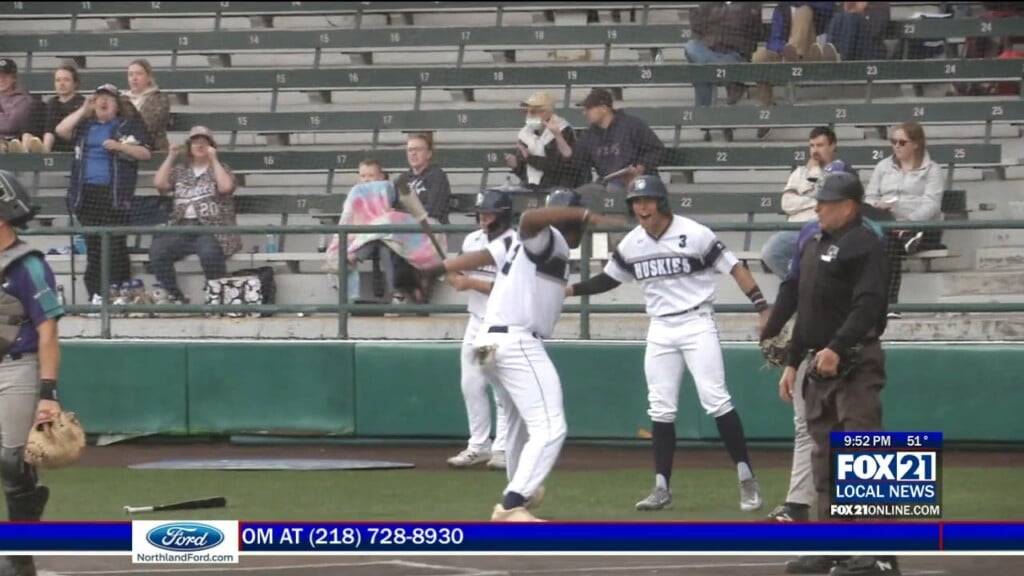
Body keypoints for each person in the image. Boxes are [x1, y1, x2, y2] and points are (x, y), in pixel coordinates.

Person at [565, 175, 768, 513]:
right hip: (660, 327)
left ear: (662, 201)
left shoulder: (696, 233)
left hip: (696, 321)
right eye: (636, 202)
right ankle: (662, 488)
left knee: (716, 399)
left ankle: (747, 479)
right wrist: (571, 290)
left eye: (648, 200)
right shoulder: (632, 243)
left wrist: (763, 307)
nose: (642, 207)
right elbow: (609, 278)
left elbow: (735, 268)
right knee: (660, 408)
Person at [429, 188, 626, 521]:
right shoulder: (548, 238)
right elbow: (532, 218)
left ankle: (521, 488)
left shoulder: (522, 243)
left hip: (488, 341)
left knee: (518, 423)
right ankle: (511, 504)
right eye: (578, 220)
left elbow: (485, 257)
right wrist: (580, 215)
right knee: (551, 427)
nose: (584, 230)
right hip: (516, 341)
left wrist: (448, 266)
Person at [761, 171, 898, 576]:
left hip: (854, 361)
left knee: (862, 451)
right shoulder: (814, 243)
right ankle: (833, 543)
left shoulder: (864, 244)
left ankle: (878, 553)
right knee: (824, 458)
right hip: (818, 365)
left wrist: (838, 347)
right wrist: (791, 361)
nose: (817, 207)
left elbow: (869, 304)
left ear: (849, 206)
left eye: (826, 202)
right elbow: (807, 307)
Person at [0, 171, 66, 576]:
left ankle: (20, 556)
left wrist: (47, 392)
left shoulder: (29, 265)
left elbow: (48, 328)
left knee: (13, 461)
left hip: (16, 370)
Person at [55, 83, 152, 303]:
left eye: (109, 98)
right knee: (94, 247)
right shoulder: (85, 125)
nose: (103, 101)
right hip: (87, 195)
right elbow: (61, 130)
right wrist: (83, 109)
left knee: (116, 245)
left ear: (117, 105)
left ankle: (120, 291)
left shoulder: (127, 125)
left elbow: (146, 152)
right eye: (99, 98)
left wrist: (121, 147)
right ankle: (96, 294)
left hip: (115, 195)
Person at [444, 189, 517, 471]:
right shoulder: (472, 239)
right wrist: (453, 275)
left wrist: (469, 283)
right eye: (481, 212)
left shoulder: (513, 244)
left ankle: (502, 448)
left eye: (489, 212)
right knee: (471, 384)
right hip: (476, 321)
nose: (484, 217)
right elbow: (457, 271)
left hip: (498, 325)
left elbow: (509, 288)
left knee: (498, 385)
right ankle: (479, 445)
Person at [149, 126, 241, 304]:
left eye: (204, 141)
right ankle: (174, 295)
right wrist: (170, 156)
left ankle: (217, 297)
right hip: (181, 226)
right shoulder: (181, 170)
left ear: (211, 145)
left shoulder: (221, 169)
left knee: (209, 254)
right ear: (189, 146)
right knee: (158, 251)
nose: (199, 145)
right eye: (195, 142)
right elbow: (159, 184)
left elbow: (226, 188)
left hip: (210, 227)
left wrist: (214, 159)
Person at [864, 122, 944, 316]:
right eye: (893, 142)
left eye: (902, 142)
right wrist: (879, 206)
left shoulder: (932, 169)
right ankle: (903, 236)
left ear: (916, 144)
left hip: (923, 226)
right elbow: (870, 197)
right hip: (889, 221)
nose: (896, 146)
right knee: (864, 211)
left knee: (887, 243)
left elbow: (932, 204)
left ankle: (890, 303)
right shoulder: (883, 166)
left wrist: (908, 221)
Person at [761, 126, 842, 280]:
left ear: (832, 146)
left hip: (821, 228)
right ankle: (798, 287)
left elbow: (832, 201)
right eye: (812, 146)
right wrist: (815, 199)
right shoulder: (799, 172)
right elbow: (787, 204)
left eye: (820, 145)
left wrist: (814, 174)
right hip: (794, 228)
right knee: (770, 252)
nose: (815, 150)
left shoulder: (841, 171)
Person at [394, 132, 452, 304]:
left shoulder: (437, 176)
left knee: (400, 241)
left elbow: (434, 209)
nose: (413, 153)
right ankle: (403, 289)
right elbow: (394, 208)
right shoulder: (402, 179)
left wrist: (404, 215)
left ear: (428, 153)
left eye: (418, 149)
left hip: (431, 229)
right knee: (388, 242)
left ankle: (410, 289)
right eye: (410, 150)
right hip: (405, 230)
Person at [570, 88, 665, 193]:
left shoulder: (631, 125)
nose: (584, 113)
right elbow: (579, 162)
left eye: (588, 108)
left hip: (638, 181)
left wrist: (640, 167)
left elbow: (657, 150)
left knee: (614, 188)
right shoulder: (589, 136)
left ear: (604, 108)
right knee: (574, 196)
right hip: (606, 183)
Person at [505, 91, 585, 191]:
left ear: (547, 112)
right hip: (532, 187)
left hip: (559, 186)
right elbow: (525, 174)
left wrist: (529, 158)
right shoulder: (525, 134)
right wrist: (516, 166)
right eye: (526, 111)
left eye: (533, 112)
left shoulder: (563, 130)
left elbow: (560, 167)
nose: (529, 115)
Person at [20, 65, 84, 153]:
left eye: (66, 80)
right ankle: (25, 149)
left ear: (75, 83)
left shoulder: (81, 103)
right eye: (58, 80)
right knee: (36, 105)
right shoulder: (52, 102)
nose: (61, 84)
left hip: (67, 142)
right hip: (46, 137)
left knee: (53, 107)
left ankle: (45, 150)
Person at [123, 59, 170, 151]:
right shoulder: (122, 99)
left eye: (139, 74)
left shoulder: (160, 98)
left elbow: (150, 125)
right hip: (124, 148)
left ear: (149, 77)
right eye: (131, 74)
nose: (134, 78)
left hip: (153, 148)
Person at [0, 58, 34, 153]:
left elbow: (10, 125)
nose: (1, 79)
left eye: (5, 76)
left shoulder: (23, 99)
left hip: (11, 143)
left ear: (13, 78)